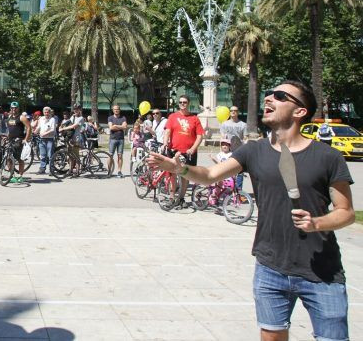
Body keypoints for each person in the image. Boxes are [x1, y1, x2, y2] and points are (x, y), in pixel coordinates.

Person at [148, 80, 355, 341]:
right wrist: (178, 168)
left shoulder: (327, 157)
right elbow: (210, 174)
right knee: (271, 336)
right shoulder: (254, 151)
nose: (269, 98)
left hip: (322, 271)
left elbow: (346, 212)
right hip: (270, 267)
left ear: (300, 111)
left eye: (279, 96)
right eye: (268, 94)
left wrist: (317, 223)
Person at [163, 95, 204, 206]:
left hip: (189, 153)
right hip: (174, 151)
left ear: (188, 103)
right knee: (172, 174)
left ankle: (181, 198)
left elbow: (200, 136)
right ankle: (171, 197)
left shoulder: (194, 118)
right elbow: (167, 131)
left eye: (185, 102)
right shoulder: (173, 116)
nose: (182, 104)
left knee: (185, 175)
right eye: (180, 102)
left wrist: (193, 148)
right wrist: (165, 143)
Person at [6, 101, 32, 184]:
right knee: (9, 159)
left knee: (20, 159)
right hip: (10, 141)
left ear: (18, 108)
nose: (14, 109)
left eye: (15, 108)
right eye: (12, 108)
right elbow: (10, 129)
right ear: (10, 108)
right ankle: (12, 176)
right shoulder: (10, 117)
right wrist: (7, 137)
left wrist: (26, 139)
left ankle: (20, 177)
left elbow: (29, 127)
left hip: (19, 141)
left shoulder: (21, 117)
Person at [107, 104, 127, 178]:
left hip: (121, 139)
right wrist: (120, 127)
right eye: (115, 109)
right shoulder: (110, 118)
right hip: (113, 139)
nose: (116, 110)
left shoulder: (123, 118)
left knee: (120, 156)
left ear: (119, 110)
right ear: (113, 110)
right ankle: (109, 171)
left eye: (117, 109)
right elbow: (111, 128)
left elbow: (125, 127)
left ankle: (119, 171)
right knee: (110, 155)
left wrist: (116, 126)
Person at [35, 106, 56, 174]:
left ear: (50, 113)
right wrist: (35, 131)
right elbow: (39, 126)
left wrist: (45, 133)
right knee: (42, 155)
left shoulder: (52, 119)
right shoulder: (41, 119)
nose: (46, 113)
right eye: (45, 112)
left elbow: (53, 129)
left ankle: (51, 169)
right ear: (43, 112)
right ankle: (42, 168)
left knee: (50, 155)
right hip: (42, 139)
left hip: (50, 139)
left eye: (47, 112)